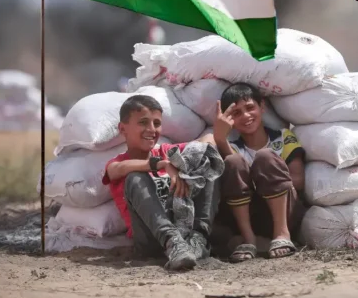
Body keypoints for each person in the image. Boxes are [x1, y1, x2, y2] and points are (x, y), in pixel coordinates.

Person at [102, 95, 217, 271]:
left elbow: (209, 138)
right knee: (135, 177)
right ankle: (173, 243)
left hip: (185, 230)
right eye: (143, 122)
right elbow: (116, 169)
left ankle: (198, 240)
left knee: (205, 161)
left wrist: (183, 165)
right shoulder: (117, 164)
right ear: (122, 128)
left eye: (156, 123)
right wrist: (160, 164)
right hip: (151, 241)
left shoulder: (167, 152)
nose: (151, 129)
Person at [204, 83, 306, 263]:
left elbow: (298, 181)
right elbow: (234, 177)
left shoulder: (283, 137)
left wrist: (265, 177)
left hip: (285, 211)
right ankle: (249, 239)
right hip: (248, 217)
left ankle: (281, 234)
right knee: (233, 162)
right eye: (236, 113)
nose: (245, 116)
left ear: (262, 107)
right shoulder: (233, 148)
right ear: (230, 120)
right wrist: (220, 139)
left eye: (250, 108)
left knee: (266, 157)